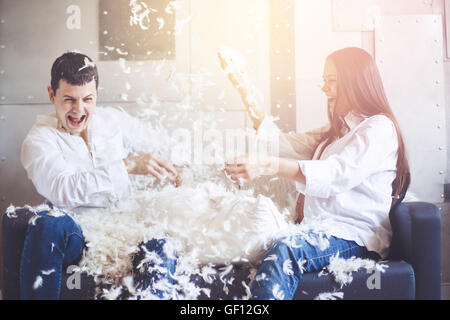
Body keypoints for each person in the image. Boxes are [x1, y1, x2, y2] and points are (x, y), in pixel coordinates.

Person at [222, 47, 410, 299]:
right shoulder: (331, 135)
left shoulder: (378, 128)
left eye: (332, 81)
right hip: (318, 230)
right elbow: (278, 143)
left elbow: (335, 174)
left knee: (288, 250)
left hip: (354, 237)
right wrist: (243, 86)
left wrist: (266, 165)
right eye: (324, 81)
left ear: (355, 83)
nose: (324, 88)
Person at [20, 52, 181, 299]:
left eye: (88, 99)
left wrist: (179, 167)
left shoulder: (112, 120)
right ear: (52, 95)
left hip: (126, 226)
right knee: (47, 221)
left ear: (97, 94)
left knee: (162, 242)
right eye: (69, 100)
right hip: (78, 232)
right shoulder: (38, 140)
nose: (79, 110)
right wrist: (126, 166)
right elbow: (64, 190)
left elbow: (163, 145)